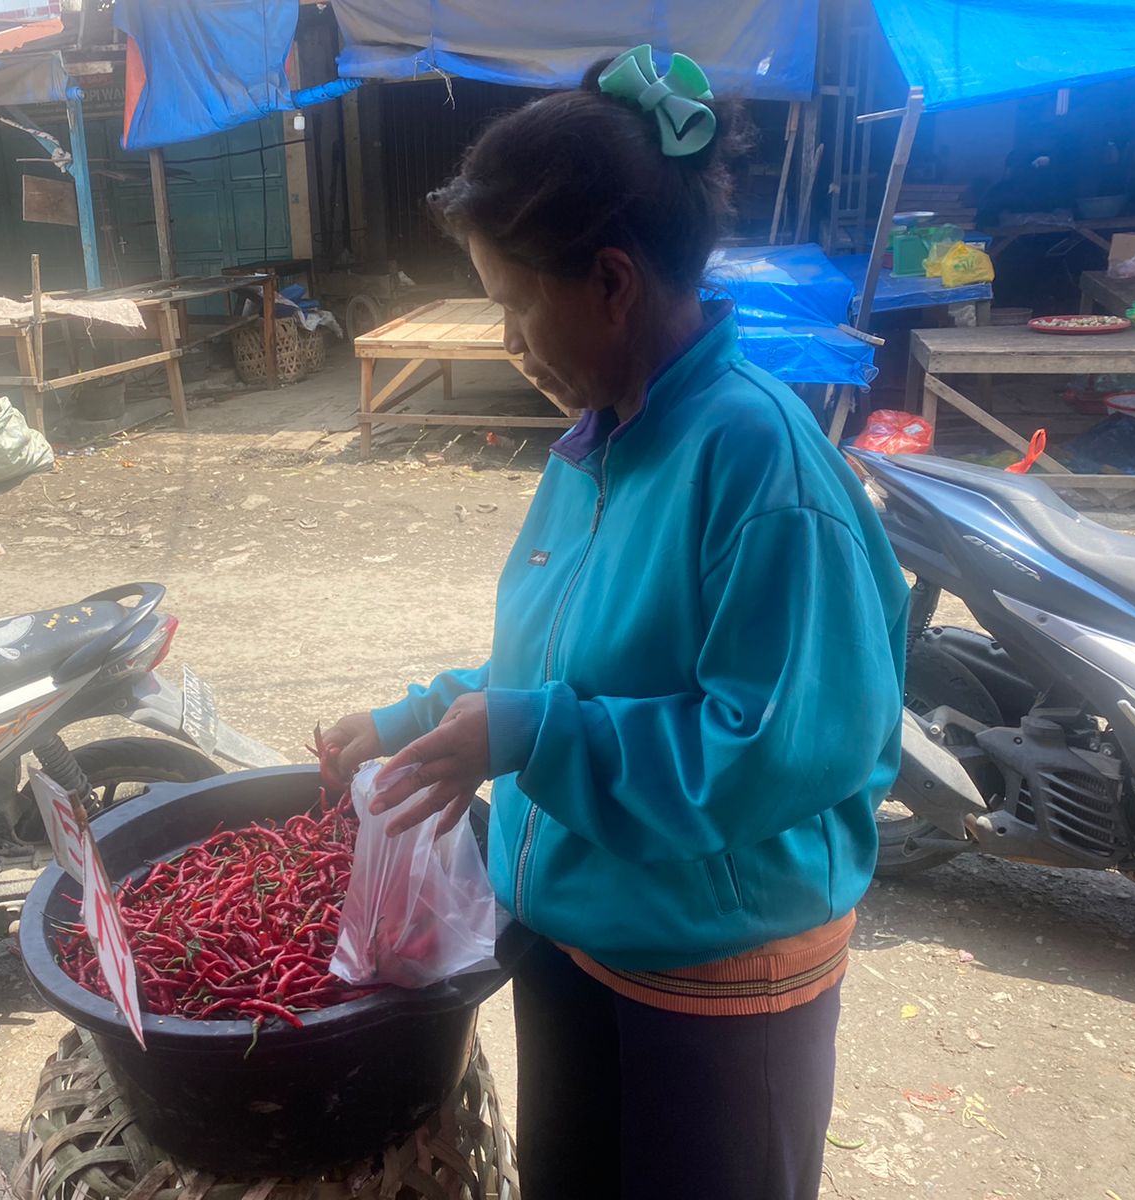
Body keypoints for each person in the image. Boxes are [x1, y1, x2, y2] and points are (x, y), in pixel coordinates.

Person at [323, 45, 908, 1200]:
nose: (506, 341)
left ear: (609, 282)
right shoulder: (596, 446)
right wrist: (415, 720)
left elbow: (768, 751)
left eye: (511, 304)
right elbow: (554, 670)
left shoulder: (759, 465)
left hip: (714, 976)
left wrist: (533, 735)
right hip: (580, 935)